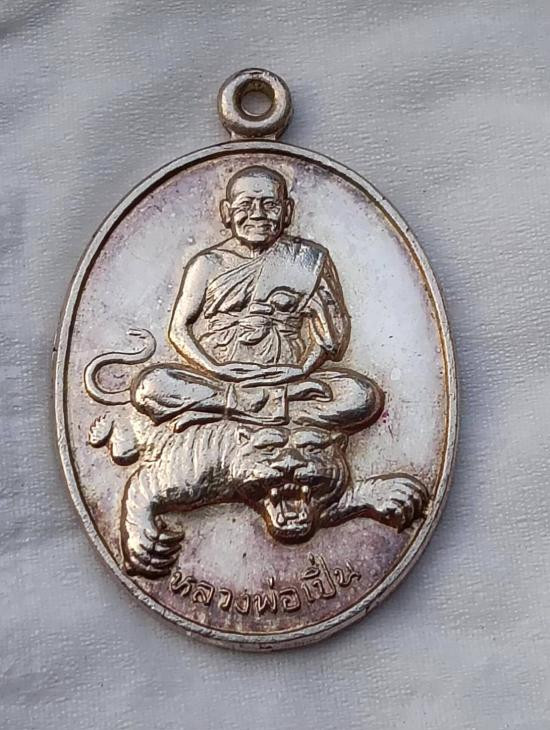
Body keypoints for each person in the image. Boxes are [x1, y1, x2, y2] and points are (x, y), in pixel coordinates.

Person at [132, 165, 383, 433]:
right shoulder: (207, 264)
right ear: (226, 212)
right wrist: (215, 368)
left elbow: (331, 332)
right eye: (245, 205)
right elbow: (178, 329)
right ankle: (270, 407)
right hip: (221, 377)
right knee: (150, 386)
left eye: (270, 205)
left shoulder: (307, 260)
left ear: (287, 211)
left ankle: (229, 407)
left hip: (287, 378)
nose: (257, 214)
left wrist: (302, 369)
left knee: (362, 396)